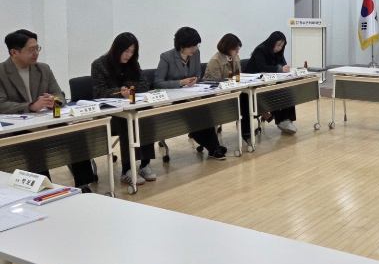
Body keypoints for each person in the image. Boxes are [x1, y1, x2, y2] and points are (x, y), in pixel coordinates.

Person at [0, 29, 95, 191]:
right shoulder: (2, 72)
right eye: (31, 50)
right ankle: (45, 188)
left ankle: (84, 184)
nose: (36, 53)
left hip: (45, 122)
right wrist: (31, 106)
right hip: (17, 129)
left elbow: (60, 94)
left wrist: (54, 101)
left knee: (76, 134)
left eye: (37, 48)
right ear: (14, 52)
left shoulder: (43, 69)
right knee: (33, 143)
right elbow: (1, 104)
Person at [91, 32, 157, 185]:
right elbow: (99, 92)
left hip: (131, 109)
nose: (129, 55)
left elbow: (144, 84)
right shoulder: (99, 65)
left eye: (132, 52)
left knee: (147, 116)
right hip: (109, 114)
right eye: (126, 51)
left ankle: (145, 164)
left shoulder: (133, 63)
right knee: (127, 122)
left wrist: (128, 86)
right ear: (117, 49)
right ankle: (127, 169)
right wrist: (119, 92)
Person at [154, 27, 227, 160]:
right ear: (181, 46)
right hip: (174, 99)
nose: (194, 49)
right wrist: (181, 82)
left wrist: (195, 80)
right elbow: (158, 83)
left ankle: (214, 147)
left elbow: (198, 73)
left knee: (205, 110)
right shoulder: (167, 57)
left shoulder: (196, 53)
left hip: (192, 95)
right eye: (191, 47)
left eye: (196, 46)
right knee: (192, 114)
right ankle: (213, 148)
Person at [244, 31, 296, 134]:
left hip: (268, 81)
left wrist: (284, 67)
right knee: (273, 94)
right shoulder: (261, 50)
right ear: (272, 42)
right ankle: (281, 120)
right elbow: (262, 67)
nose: (279, 48)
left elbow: (280, 64)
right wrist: (281, 69)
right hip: (254, 83)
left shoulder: (278, 52)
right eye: (278, 45)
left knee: (287, 90)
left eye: (282, 46)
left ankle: (286, 119)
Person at [204, 33, 251, 141]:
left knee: (246, 97)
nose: (237, 51)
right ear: (227, 48)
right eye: (235, 49)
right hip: (214, 93)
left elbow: (238, 75)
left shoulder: (235, 57)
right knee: (242, 99)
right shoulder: (215, 60)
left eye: (238, 49)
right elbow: (217, 82)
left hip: (231, 89)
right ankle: (246, 132)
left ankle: (246, 132)